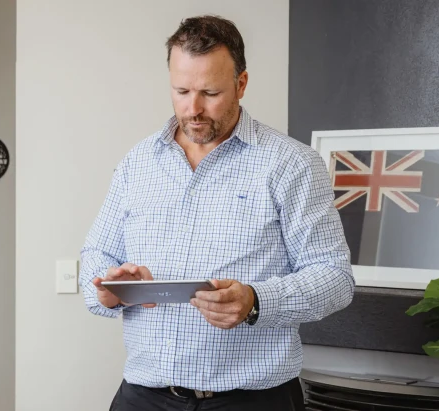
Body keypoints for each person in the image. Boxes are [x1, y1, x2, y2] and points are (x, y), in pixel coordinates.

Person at [79, 14, 355, 411]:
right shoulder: (136, 163)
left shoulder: (292, 164)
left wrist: (257, 300)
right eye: (181, 90)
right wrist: (106, 287)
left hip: (253, 402)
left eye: (210, 92)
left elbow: (335, 277)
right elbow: (96, 256)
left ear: (241, 84)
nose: (193, 109)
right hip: (143, 397)